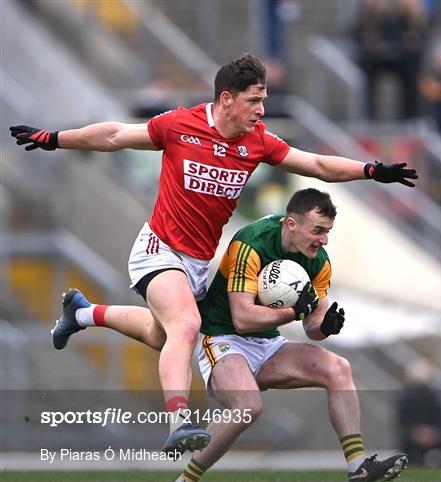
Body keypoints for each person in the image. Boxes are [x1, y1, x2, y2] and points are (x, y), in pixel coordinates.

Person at [9, 54, 417, 456]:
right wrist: (55, 138)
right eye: (254, 100)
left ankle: (82, 314)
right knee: (186, 324)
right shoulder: (180, 124)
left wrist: (370, 170)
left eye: (264, 100)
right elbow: (115, 135)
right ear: (226, 99)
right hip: (159, 248)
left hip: (198, 263)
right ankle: (179, 420)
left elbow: (314, 164)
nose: (262, 110)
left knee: (162, 334)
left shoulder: (257, 142)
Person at [161, 188, 408, 482]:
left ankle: (359, 468)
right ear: (291, 224)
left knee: (338, 368)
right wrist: (294, 311)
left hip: (268, 344)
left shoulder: (318, 260)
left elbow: (312, 325)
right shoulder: (251, 243)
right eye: (318, 230)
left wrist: (326, 326)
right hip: (223, 338)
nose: (323, 240)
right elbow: (242, 318)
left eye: (328, 232)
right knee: (248, 406)